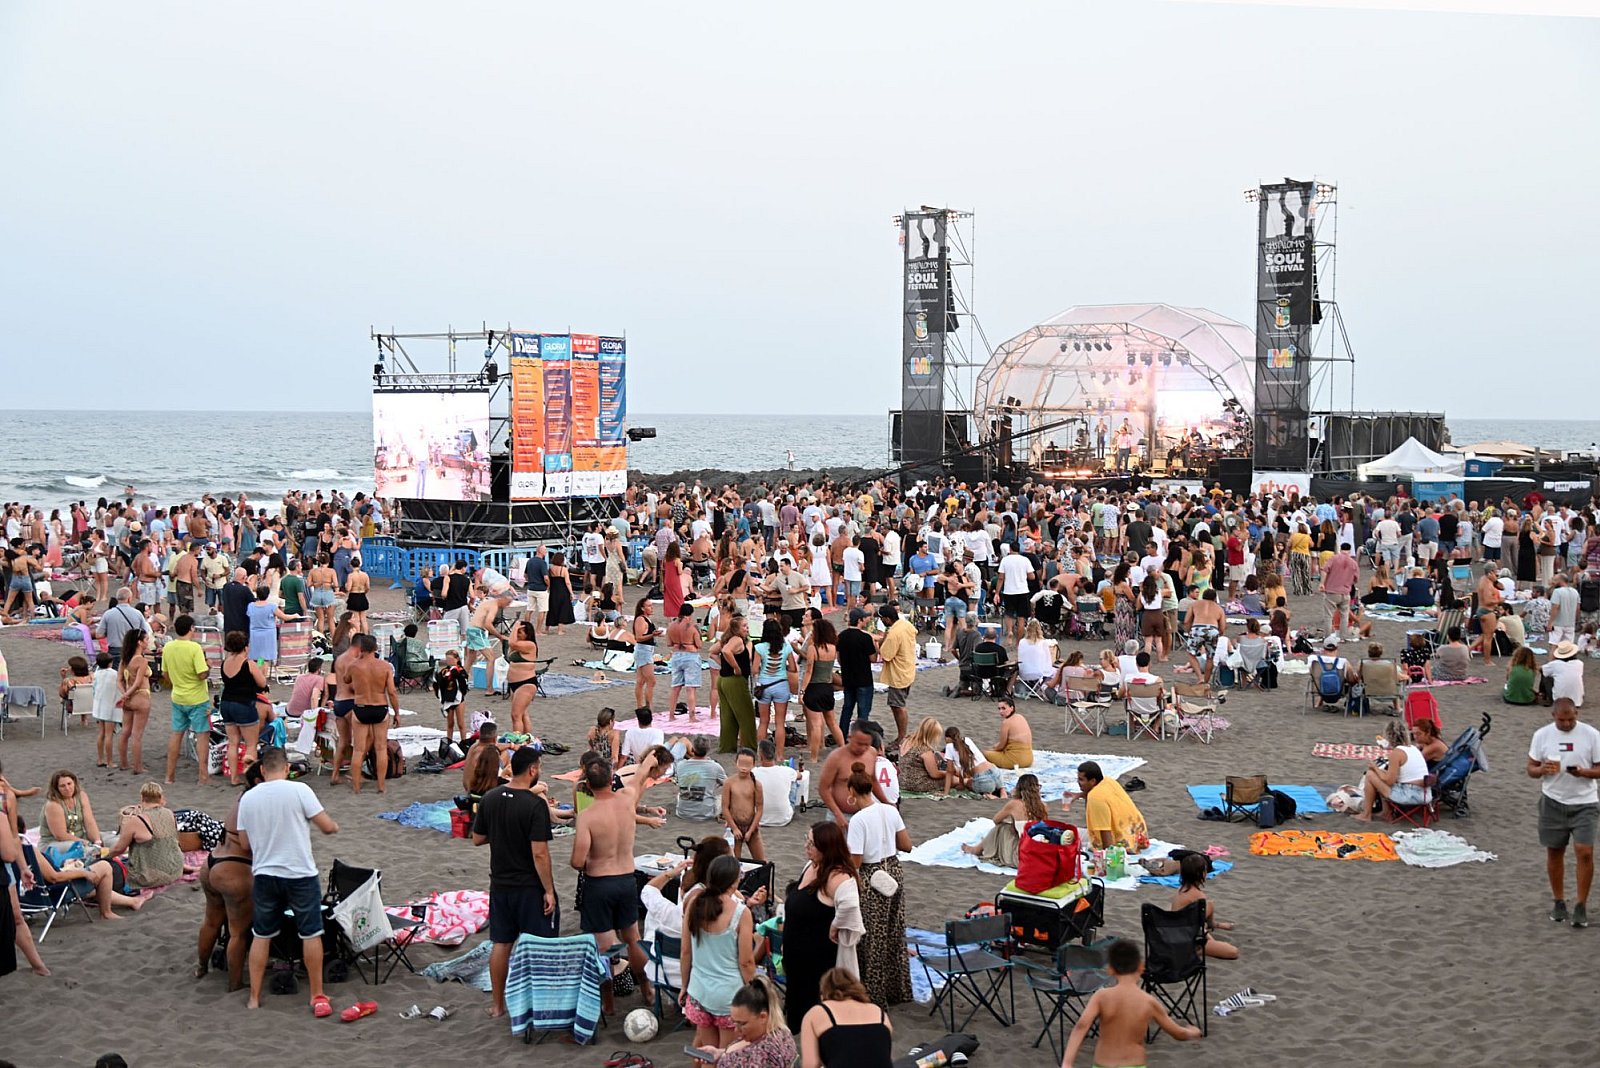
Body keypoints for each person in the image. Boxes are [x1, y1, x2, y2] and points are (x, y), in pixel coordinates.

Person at [569, 747, 674, 1011]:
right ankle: (646, 990)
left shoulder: (587, 816)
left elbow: (577, 861)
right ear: (611, 779)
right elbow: (639, 777)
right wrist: (649, 761)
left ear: (588, 785)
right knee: (632, 938)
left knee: (605, 945)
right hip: (626, 879)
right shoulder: (626, 800)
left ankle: (608, 1002)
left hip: (600, 882)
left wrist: (592, 858)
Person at [238, 747, 339, 1013]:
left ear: (262, 769)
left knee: (262, 934)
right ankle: (316, 993)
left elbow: (245, 844)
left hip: (265, 873)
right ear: (286, 768)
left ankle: (254, 997)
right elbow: (326, 826)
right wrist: (333, 826)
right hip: (299, 873)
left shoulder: (248, 798)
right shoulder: (300, 790)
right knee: (311, 933)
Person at [472, 745, 558, 1018]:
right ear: (532, 770)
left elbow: (477, 838)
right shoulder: (534, 805)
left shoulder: (490, 798)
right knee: (541, 947)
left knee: (502, 944)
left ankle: (498, 1006)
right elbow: (540, 853)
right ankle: (539, 1004)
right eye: (539, 767)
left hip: (500, 883)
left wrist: (501, 831)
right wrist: (549, 890)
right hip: (528, 885)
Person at [1061, 939, 1203, 1068]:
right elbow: (1177, 1033)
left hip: (1104, 1064)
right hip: (1133, 1064)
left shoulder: (1101, 996)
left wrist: (1067, 1063)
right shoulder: (1148, 1001)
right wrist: (1191, 1032)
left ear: (1110, 969)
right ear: (1141, 967)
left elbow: (1081, 1026)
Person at [844, 759, 912, 1006]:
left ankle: (874, 994)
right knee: (894, 932)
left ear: (852, 792)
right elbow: (906, 845)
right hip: (894, 870)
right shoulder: (890, 810)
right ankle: (898, 990)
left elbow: (856, 861)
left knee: (873, 937)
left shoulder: (858, 820)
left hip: (872, 876)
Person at [1529, 698, 1600, 928]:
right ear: (1554, 716)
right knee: (1554, 851)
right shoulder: (1542, 735)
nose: (1567, 724)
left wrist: (1584, 772)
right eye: (1562, 720)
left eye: (1571, 719)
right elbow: (1531, 768)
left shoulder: (1591, 735)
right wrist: (1542, 769)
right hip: (1553, 800)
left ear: (1576, 714)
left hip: (1585, 802)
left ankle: (1581, 904)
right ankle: (1559, 901)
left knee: (1584, 852)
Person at [681, 853, 758, 1050]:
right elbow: (746, 962)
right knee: (725, 1054)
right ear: (733, 882)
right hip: (728, 996)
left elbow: (686, 952)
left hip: (699, 990)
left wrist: (684, 985)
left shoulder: (694, 904)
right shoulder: (741, 913)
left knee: (708, 1053)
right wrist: (755, 989)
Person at [196, 762, 260, 989]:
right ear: (259, 780)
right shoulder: (256, 801)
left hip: (213, 862)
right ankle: (235, 982)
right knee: (238, 932)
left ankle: (201, 967)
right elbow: (248, 843)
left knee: (211, 921)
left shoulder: (241, 798)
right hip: (235, 868)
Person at [693, 975, 797, 1068]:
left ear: (763, 1017)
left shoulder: (761, 1057)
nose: (736, 1030)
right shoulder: (782, 1033)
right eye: (734, 1022)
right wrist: (720, 1053)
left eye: (742, 1024)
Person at [799, 967, 893, 1068]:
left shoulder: (816, 1013)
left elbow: (811, 1064)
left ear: (823, 992)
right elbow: (883, 1054)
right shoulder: (879, 1013)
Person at [106, 781, 187, 889]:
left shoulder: (137, 820)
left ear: (142, 798)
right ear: (160, 797)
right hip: (176, 870)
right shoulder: (170, 813)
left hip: (149, 877)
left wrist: (105, 858)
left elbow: (119, 849)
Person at [346, 632, 400, 794]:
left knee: (358, 750)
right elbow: (392, 692)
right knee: (381, 748)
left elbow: (346, 680)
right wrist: (397, 712)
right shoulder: (384, 666)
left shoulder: (354, 666)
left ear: (361, 648)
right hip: (379, 707)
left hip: (361, 707)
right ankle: (381, 786)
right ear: (375, 648)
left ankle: (356, 787)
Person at [163, 614, 212, 786]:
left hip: (178, 696)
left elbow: (165, 674)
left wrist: (177, 682)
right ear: (191, 628)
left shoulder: (168, 647)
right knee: (202, 735)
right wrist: (208, 667)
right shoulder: (194, 648)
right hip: (197, 698)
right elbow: (201, 674)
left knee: (176, 734)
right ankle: (203, 776)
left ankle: (169, 776)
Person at [961, 771, 1048, 866]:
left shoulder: (1014, 804)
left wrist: (1012, 821)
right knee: (1009, 828)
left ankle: (977, 849)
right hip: (1038, 852)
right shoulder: (1043, 806)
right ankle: (983, 845)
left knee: (1001, 827)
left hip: (1022, 855)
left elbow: (996, 820)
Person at [218, 629, 270, 785]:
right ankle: (250, 777)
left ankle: (234, 777)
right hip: (244, 704)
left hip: (226, 703)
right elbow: (262, 683)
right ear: (245, 647)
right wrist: (262, 671)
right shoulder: (248, 664)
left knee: (233, 742)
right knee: (251, 744)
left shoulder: (225, 662)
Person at [1353, 721, 1431, 822]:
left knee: (1370, 775)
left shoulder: (1397, 753)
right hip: (1425, 793)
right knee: (1380, 775)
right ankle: (1386, 813)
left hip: (1411, 795)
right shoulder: (1413, 749)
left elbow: (1389, 781)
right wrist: (1380, 772)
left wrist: (1375, 768)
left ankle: (1366, 814)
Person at [1066, 759, 1148, 850]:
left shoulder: (1095, 798)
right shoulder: (1108, 781)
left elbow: (1105, 831)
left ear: (1092, 781)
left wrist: (1107, 855)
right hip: (1139, 839)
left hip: (1121, 846)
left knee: (1067, 836)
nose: (1078, 782)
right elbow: (1093, 792)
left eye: (1081, 780)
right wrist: (1078, 795)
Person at [1170, 852, 1237, 960]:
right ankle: (1198, 951)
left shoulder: (1181, 890)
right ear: (1201, 874)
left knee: (1209, 904)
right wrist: (1214, 943)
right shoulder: (1198, 896)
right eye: (1205, 871)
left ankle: (1214, 925)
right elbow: (1199, 928)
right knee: (1233, 952)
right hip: (1188, 941)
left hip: (1176, 933)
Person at [819, 721, 887, 827]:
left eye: (867, 745)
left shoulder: (872, 753)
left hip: (865, 813)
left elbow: (873, 781)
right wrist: (838, 814)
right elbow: (823, 788)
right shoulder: (836, 757)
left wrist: (887, 803)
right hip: (840, 814)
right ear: (849, 738)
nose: (863, 748)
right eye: (859, 744)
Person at [799, 617, 844, 762]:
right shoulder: (833, 648)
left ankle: (814, 757)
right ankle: (843, 748)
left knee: (816, 724)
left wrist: (802, 691)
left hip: (814, 688)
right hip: (827, 687)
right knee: (832, 723)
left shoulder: (813, 648)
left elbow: (809, 671)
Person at [875, 604, 918, 753]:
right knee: (897, 705)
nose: (881, 621)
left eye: (882, 618)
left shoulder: (894, 633)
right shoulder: (905, 625)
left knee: (898, 706)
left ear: (887, 619)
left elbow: (886, 655)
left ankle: (901, 737)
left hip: (898, 674)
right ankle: (902, 736)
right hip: (907, 669)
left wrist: (877, 645)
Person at [751, 618, 794, 762]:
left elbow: (755, 670)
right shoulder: (786, 646)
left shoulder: (760, 647)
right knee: (780, 723)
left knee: (764, 722)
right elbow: (793, 668)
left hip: (765, 686)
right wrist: (782, 668)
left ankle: (761, 754)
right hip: (781, 684)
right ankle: (780, 754)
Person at [114, 631, 154, 774]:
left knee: (125, 732)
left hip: (128, 700)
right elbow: (138, 683)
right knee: (137, 735)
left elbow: (119, 680)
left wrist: (124, 694)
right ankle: (137, 767)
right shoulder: (141, 661)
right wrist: (127, 694)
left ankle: (124, 763)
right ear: (139, 642)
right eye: (146, 639)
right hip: (140, 697)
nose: (148, 641)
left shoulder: (125, 660)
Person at [716, 615, 757, 753]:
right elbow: (725, 651)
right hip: (735, 680)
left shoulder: (726, 639)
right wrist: (736, 667)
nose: (747, 628)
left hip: (723, 679)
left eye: (747, 625)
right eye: (744, 626)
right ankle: (750, 747)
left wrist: (725, 666)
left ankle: (727, 746)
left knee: (728, 716)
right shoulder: (737, 640)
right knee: (746, 715)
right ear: (736, 629)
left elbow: (712, 652)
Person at [835, 608, 876, 739]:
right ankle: (861, 737)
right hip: (864, 678)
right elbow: (873, 659)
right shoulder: (865, 637)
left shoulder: (842, 636)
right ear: (860, 620)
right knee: (863, 711)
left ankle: (842, 735)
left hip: (848, 678)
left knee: (847, 708)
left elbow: (839, 658)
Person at [39, 769, 103, 850]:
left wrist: (97, 841)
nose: (67, 788)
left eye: (69, 784)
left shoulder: (81, 796)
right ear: (56, 788)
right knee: (86, 850)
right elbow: (60, 835)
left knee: (110, 840)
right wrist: (85, 843)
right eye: (62, 786)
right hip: (55, 843)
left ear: (74, 783)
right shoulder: (53, 805)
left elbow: (89, 822)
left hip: (80, 837)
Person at [722, 748, 765, 861]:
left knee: (761, 861)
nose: (744, 768)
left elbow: (759, 809)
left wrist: (751, 830)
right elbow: (725, 808)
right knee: (733, 861)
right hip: (733, 825)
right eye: (741, 764)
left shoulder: (756, 784)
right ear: (735, 763)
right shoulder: (729, 782)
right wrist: (734, 828)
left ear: (753, 765)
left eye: (747, 765)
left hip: (751, 825)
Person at [897, 717, 956, 795]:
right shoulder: (924, 750)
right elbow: (934, 774)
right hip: (918, 785)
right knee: (953, 779)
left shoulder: (906, 740)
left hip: (902, 782)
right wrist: (948, 773)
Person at [677, 736, 728, 821]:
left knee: (681, 794)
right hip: (706, 813)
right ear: (708, 750)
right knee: (722, 797)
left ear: (692, 749)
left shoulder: (680, 765)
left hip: (683, 813)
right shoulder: (715, 766)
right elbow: (728, 784)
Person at [667, 603, 704, 719]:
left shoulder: (671, 625)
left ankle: (671, 715)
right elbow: (699, 644)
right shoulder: (692, 627)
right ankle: (692, 716)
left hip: (676, 654)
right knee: (690, 688)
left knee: (675, 687)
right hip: (690, 655)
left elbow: (669, 643)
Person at [505, 620, 541, 736]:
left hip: (526, 683)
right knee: (522, 713)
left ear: (527, 634)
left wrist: (515, 627)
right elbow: (511, 644)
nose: (517, 634)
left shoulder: (530, 645)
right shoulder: (519, 644)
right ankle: (526, 739)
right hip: (515, 684)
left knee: (516, 715)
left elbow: (512, 643)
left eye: (520, 632)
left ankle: (517, 741)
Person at [1321, 543, 1359, 641]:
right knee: (1344, 616)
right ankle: (1343, 637)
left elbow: (1325, 570)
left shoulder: (1333, 559)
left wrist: (1322, 583)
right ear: (1349, 550)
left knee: (1328, 615)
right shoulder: (1353, 563)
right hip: (1345, 592)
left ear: (1340, 549)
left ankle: (1327, 637)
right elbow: (1356, 579)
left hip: (1332, 590)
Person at [983, 696, 1034, 769]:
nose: (1001, 711)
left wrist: (992, 750)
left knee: (984, 753)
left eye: (1003, 708)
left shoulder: (1006, 722)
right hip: (1029, 759)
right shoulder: (1020, 717)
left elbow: (1001, 745)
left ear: (1011, 708)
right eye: (999, 709)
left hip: (1016, 761)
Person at [90, 651, 121, 769]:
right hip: (109, 708)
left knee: (101, 734)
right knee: (109, 735)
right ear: (110, 663)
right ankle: (109, 762)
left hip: (98, 707)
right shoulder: (114, 674)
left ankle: (100, 759)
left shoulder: (96, 674)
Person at [433, 650, 470, 747]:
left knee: (461, 723)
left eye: (450, 659)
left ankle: (464, 742)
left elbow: (464, 683)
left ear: (457, 659)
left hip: (459, 699)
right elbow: (439, 683)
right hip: (448, 698)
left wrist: (456, 675)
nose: (448, 661)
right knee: (450, 723)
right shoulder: (444, 671)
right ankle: (449, 742)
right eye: (447, 659)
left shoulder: (460, 670)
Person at [631, 597, 660, 713]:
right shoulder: (640, 619)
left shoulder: (646, 619)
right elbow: (638, 638)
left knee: (641, 681)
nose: (651, 608)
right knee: (651, 681)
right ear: (642, 608)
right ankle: (647, 706)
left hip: (646, 650)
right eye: (649, 606)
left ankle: (640, 706)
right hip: (644, 651)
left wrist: (654, 635)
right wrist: (652, 635)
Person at [1543, 641, 1586, 707]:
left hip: (1558, 700)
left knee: (1546, 676)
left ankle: (1547, 697)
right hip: (1577, 701)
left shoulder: (1555, 664)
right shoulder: (1579, 664)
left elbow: (1542, 670)